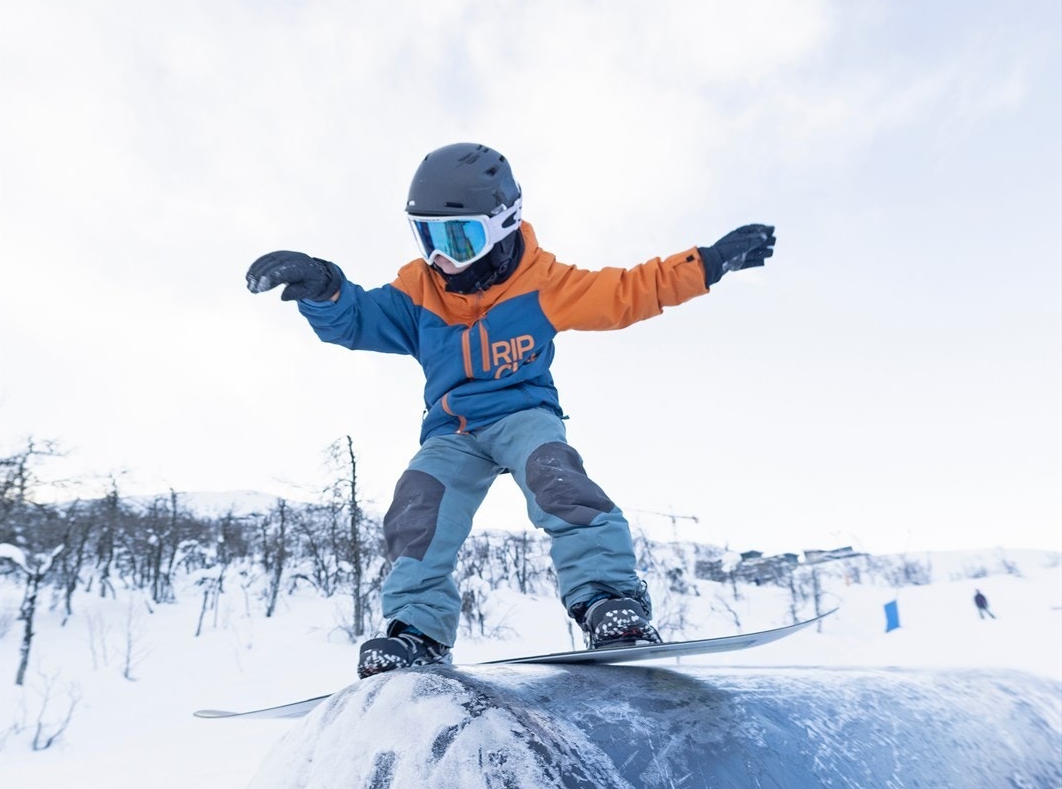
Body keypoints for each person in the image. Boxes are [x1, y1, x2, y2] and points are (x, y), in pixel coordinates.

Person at [246, 142, 775, 677]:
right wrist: (324, 287)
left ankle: (609, 600)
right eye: (428, 237)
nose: (441, 258)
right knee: (417, 508)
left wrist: (705, 265)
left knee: (557, 480)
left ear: (502, 225)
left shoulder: (544, 284)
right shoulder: (419, 291)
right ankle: (418, 627)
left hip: (524, 414)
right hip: (453, 430)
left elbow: (628, 292)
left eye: (458, 237)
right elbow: (357, 319)